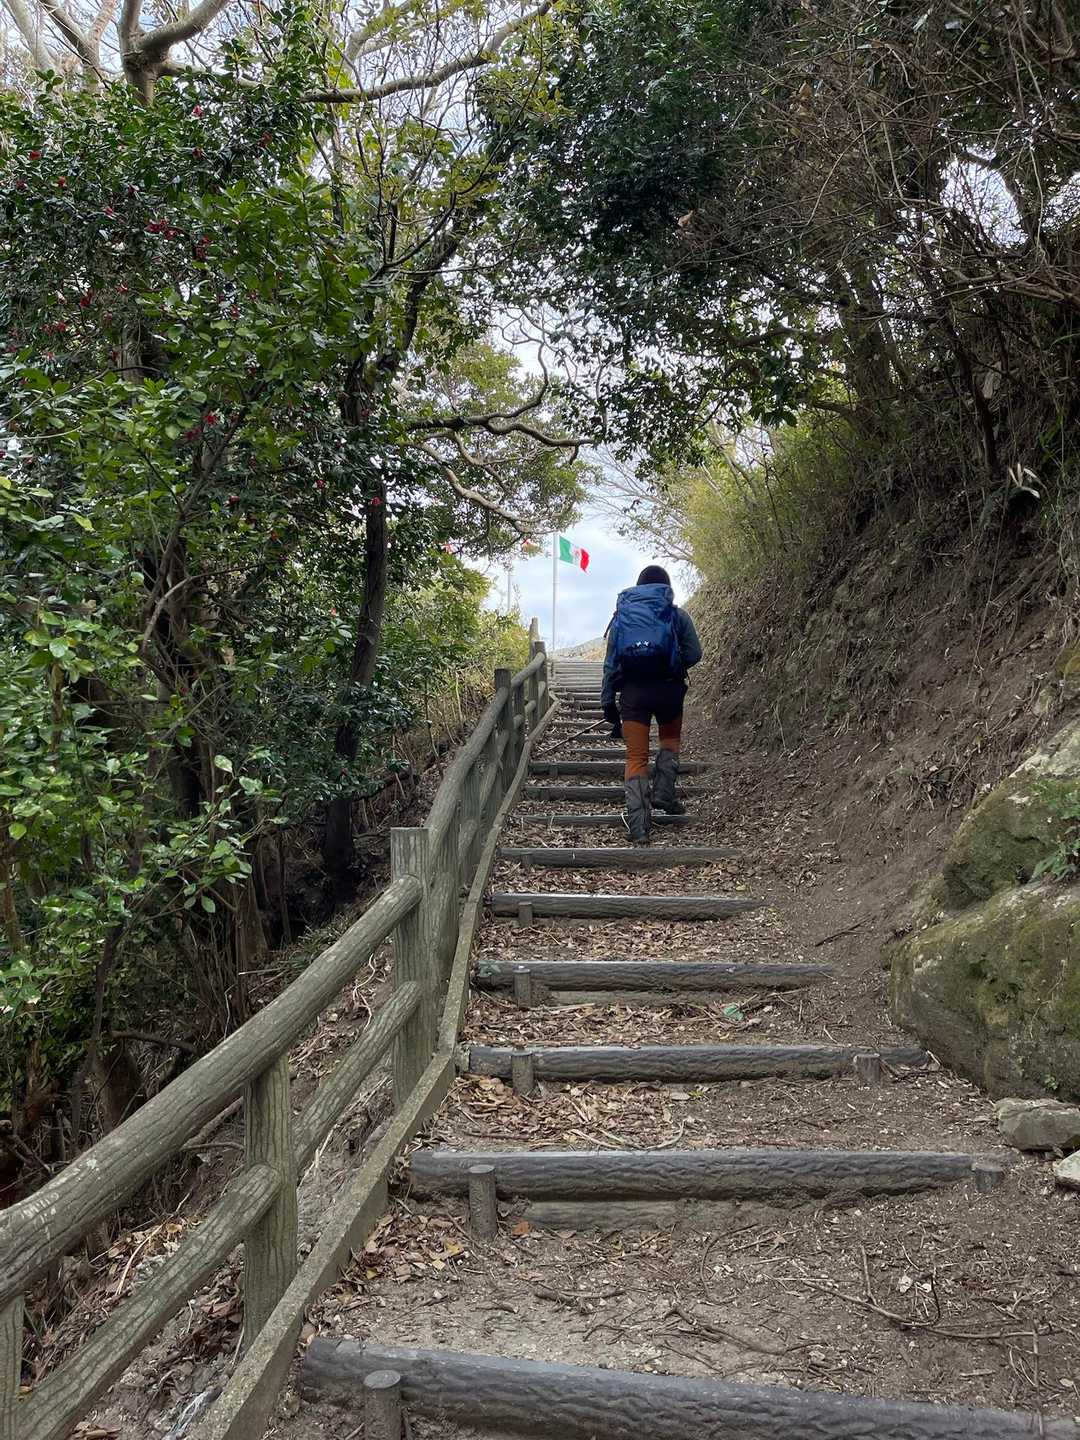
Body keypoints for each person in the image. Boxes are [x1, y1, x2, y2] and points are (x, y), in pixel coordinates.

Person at [600, 565, 703, 844]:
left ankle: (639, 827)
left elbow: (610, 665)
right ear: (666, 588)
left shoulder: (622, 617)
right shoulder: (676, 615)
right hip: (669, 690)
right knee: (669, 742)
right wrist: (674, 666)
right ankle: (664, 794)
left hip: (634, 694)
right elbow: (695, 653)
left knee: (636, 757)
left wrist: (608, 703)